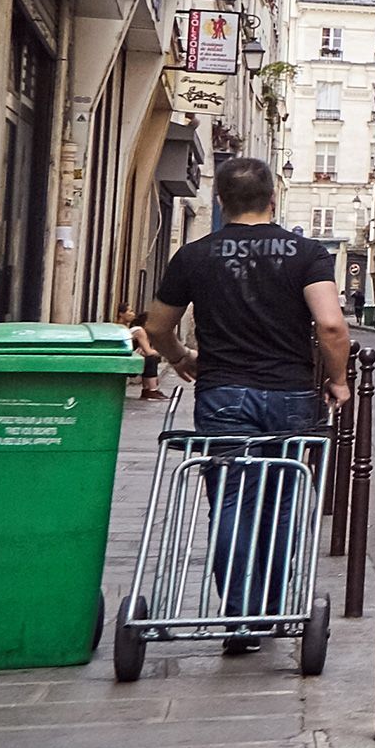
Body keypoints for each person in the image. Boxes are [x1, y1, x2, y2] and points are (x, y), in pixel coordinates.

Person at [144, 157, 350, 654]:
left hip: (223, 394)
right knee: (283, 503)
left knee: (231, 502)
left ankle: (239, 618)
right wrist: (339, 381)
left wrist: (180, 358)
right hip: (289, 395)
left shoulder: (194, 256)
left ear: (219, 200)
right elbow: (331, 326)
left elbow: (155, 328)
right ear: (273, 198)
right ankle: (276, 609)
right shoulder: (306, 253)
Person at [128, 308, 167, 400]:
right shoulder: (139, 331)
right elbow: (149, 351)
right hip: (125, 362)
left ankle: (147, 389)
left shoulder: (145, 333)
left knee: (149, 358)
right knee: (151, 359)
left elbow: (146, 351)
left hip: (128, 359)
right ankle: (152, 390)